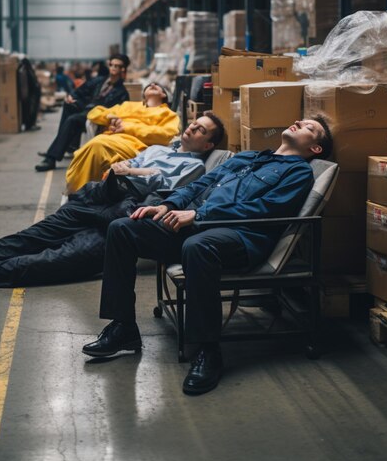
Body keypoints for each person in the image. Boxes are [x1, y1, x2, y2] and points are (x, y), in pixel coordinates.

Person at [82, 116, 333, 396]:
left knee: (198, 246)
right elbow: (201, 184)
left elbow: (266, 210)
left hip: (242, 237)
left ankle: (208, 350)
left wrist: (199, 215)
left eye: (311, 127)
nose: (299, 122)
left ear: (316, 149)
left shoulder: (299, 173)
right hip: (198, 227)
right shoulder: (247, 157)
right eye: (301, 120)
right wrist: (167, 205)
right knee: (122, 229)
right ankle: (123, 328)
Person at [0, 113, 225, 290]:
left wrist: (130, 170)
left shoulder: (193, 167)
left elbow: (154, 184)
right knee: (21, 241)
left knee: (35, 263)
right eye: (193, 123)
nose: (192, 129)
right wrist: (131, 169)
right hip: (97, 200)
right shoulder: (159, 148)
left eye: (201, 130)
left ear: (208, 145)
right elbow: (125, 168)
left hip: (117, 221)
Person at [65, 82, 180, 193]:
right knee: (95, 145)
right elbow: (94, 113)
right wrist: (109, 117)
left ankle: (78, 191)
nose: (152, 85)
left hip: (136, 147)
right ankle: (86, 192)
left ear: (164, 95)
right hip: (112, 139)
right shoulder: (128, 105)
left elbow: (166, 134)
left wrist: (128, 127)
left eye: (158, 86)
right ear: (144, 94)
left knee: (96, 146)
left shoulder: (168, 114)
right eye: (149, 85)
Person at [36, 54, 130, 172]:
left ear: (123, 69)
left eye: (117, 66)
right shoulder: (100, 81)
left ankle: (51, 158)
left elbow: (118, 112)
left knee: (72, 120)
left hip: (98, 116)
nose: (113, 68)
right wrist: (71, 97)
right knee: (68, 105)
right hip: (87, 108)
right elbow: (81, 90)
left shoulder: (122, 93)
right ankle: (69, 146)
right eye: (111, 65)